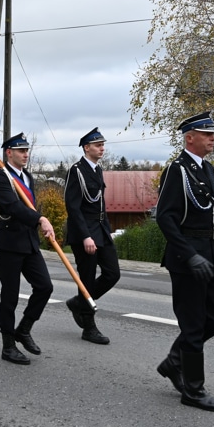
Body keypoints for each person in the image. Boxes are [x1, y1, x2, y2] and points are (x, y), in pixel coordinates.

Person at [155, 111, 214, 413]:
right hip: (188, 258)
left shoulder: (209, 170)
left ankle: (173, 362)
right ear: (190, 137)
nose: (213, 138)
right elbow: (165, 217)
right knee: (192, 326)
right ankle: (193, 389)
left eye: (213, 133)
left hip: (212, 253)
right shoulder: (177, 171)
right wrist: (189, 254)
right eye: (207, 133)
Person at [0, 133, 55, 365]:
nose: (26, 154)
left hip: (29, 242)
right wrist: (40, 219)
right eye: (21, 151)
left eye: (27, 151)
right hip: (9, 243)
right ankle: (8, 345)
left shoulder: (26, 176)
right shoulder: (1, 176)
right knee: (10, 296)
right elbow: (13, 207)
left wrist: (39, 223)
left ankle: (24, 329)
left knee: (45, 286)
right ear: (9, 153)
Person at [63, 127, 118, 345]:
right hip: (83, 231)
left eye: (103, 145)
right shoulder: (76, 171)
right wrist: (86, 236)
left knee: (112, 273)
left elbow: (100, 202)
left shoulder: (97, 170)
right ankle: (89, 327)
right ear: (87, 148)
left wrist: (107, 229)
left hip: (101, 228)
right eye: (97, 145)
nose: (102, 148)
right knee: (85, 279)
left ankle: (79, 303)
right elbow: (73, 207)